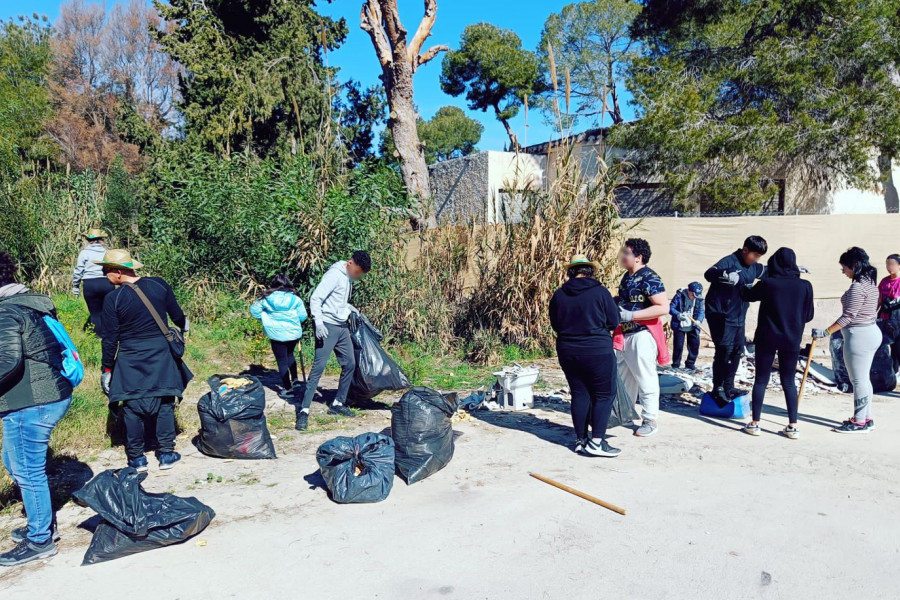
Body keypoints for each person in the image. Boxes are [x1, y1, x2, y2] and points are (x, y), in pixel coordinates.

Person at [0, 252, 72, 566]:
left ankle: (40, 539)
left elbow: (7, 362)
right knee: (16, 463)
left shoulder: (5, 312)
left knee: (27, 471)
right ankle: (43, 523)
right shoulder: (29, 301)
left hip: (31, 401)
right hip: (47, 393)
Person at [98, 249, 189, 471]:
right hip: (160, 351)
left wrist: (107, 368)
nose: (103, 274)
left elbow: (110, 339)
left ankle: (137, 458)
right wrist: (182, 330)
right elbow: (178, 316)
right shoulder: (158, 285)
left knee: (131, 405)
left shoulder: (113, 298)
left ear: (118, 272)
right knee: (164, 400)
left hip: (131, 355)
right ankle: (166, 454)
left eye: (106, 270)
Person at [549, 255, 621, 457]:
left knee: (579, 394)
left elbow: (555, 325)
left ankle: (581, 440)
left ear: (570, 272)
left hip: (568, 350)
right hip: (597, 350)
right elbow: (613, 322)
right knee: (604, 395)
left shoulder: (559, 295)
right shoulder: (600, 292)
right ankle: (597, 442)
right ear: (590, 272)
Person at [742, 248, 814, 439]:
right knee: (789, 382)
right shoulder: (805, 286)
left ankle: (755, 423)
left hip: (766, 337)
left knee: (761, 380)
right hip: (791, 339)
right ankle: (792, 426)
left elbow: (746, 295)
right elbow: (809, 315)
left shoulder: (767, 283)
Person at [297, 251, 371, 431]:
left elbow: (337, 301)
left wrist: (349, 308)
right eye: (357, 272)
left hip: (341, 326)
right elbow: (316, 298)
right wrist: (319, 322)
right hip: (327, 327)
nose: (357, 276)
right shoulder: (334, 275)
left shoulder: (347, 277)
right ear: (350, 263)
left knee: (350, 363)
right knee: (318, 368)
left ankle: (338, 403)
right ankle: (304, 411)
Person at [813, 247, 881, 434]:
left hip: (859, 336)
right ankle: (865, 418)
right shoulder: (870, 283)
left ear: (854, 265)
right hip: (869, 332)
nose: (843, 271)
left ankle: (859, 422)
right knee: (863, 379)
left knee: (858, 380)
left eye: (844, 267)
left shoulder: (858, 287)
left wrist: (825, 332)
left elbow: (848, 317)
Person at [704, 235, 768, 406]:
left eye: (759, 257)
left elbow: (770, 272)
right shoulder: (729, 261)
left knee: (738, 350)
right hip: (720, 314)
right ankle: (717, 389)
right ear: (745, 250)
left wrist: (791, 269)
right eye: (754, 255)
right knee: (724, 350)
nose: (756, 260)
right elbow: (709, 273)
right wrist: (724, 273)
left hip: (738, 315)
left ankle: (729, 386)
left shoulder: (754, 267)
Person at [616, 238, 670, 437]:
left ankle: (650, 420)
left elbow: (663, 307)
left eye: (626, 252)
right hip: (625, 334)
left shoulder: (649, 277)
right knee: (624, 378)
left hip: (642, 334)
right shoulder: (626, 277)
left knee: (645, 378)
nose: (622, 255)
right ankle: (625, 414)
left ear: (638, 257)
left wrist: (631, 315)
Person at [250, 273, 308, 399]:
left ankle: (288, 389)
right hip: (293, 333)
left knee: (281, 361)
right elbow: (303, 316)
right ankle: (296, 380)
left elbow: (254, 311)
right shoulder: (295, 298)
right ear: (287, 282)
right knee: (290, 355)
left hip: (275, 333)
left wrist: (266, 319)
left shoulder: (266, 297)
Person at [72, 228, 115, 338]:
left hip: (90, 284)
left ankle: (98, 336)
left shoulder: (84, 253)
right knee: (108, 310)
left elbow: (78, 271)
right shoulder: (107, 252)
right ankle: (111, 333)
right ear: (101, 239)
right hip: (107, 282)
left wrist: (75, 287)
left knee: (95, 312)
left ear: (87, 240)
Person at [669, 281, 704, 371]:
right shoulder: (679, 296)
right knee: (678, 346)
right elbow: (671, 308)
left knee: (694, 345)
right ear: (689, 291)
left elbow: (701, 310)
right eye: (693, 295)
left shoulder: (699, 298)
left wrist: (699, 320)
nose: (694, 297)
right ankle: (676, 364)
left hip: (693, 325)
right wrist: (678, 314)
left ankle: (690, 363)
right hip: (680, 325)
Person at [877, 254, 900, 373]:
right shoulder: (884, 281)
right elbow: (878, 300)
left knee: (898, 348)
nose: (889, 267)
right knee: (890, 348)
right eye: (887, 264)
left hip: (898, 320)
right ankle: (893, 373)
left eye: (892, 264)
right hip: (885, 320)